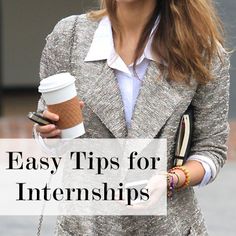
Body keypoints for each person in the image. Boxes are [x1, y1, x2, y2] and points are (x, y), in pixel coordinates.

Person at [34, 0, 230, 235]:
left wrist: (171, 179)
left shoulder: (201, 51)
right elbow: (50, 139)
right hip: (86, 225)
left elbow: (212, 149)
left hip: (168, 226)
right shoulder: (69, 38)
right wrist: (51, 135)